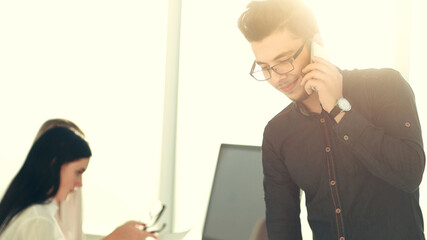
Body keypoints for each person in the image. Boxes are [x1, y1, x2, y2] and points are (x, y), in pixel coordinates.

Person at [237, 0, 425, 239]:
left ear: (316, 44)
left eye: (284, 61)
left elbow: (409, 173)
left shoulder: (385, 86)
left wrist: (339, 110)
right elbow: (282, 226)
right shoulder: (277, 133)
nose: (276, 78)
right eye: (265, 67)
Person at [0, 122, 156, 240]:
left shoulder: (35, 213)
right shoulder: (38, 220)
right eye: (78, 172)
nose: (79, 184)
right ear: (54, 164)